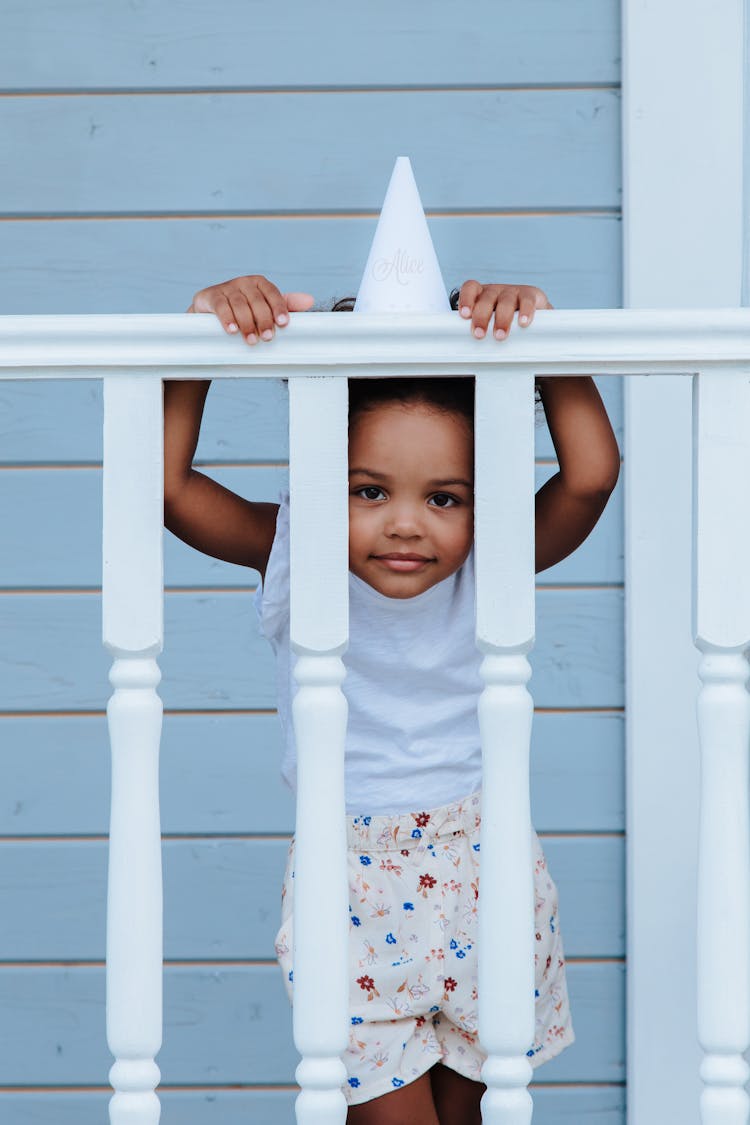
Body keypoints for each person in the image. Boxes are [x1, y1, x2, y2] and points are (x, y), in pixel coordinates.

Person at [163, 272, 621, 1125]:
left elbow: (591, 476)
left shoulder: (493, 560)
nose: (406, 523)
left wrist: (545, 338)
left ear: (479, 503)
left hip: (483, 871)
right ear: (320, 474)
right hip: (354, 883)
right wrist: (200, 339)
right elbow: (168, 487)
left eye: (443, 497)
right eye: (368, 490)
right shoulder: (294, 551)